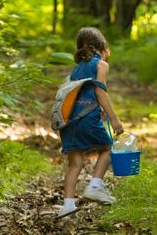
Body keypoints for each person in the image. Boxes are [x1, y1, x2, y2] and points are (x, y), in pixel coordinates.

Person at [58, 27, 125, 218]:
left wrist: (99, 109)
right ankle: (95, 185)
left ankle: (68, 206)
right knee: (107, 148)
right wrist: (114, 119)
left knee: (74, 163)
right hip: (87, 118)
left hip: (69, 120)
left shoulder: (76, 68)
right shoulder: (101, 65)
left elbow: (79, 94)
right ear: (101, 47)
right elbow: (99, 91)